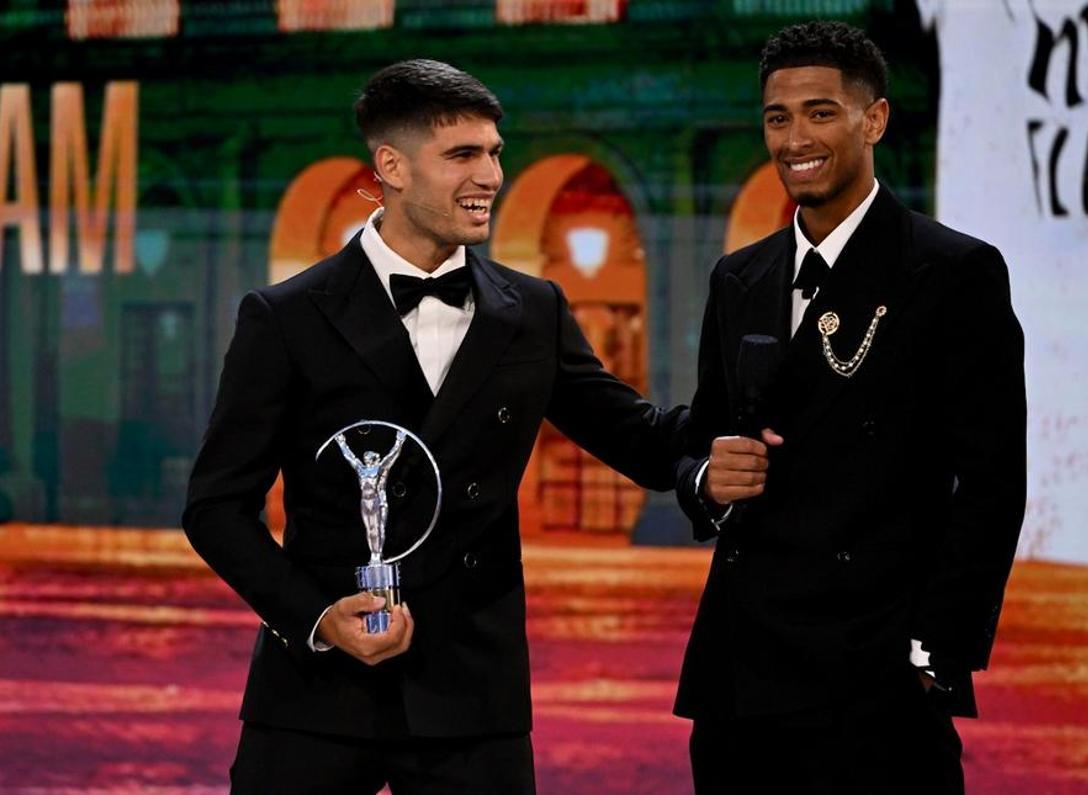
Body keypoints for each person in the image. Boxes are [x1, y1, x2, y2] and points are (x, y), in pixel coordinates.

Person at [183, 59, 685, 794]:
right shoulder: (286, 316)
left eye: (495, 153)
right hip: (317, 696)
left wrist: (729, 444)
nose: (491, 176)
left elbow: (639, 437)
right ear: (392, 166)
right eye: (462, 155)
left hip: (473, 698)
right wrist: (318, 617)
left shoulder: (534, 310)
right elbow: (216, 507)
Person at [672, 21, 1026, 794]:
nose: (795, 138)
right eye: (778, 117)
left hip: (876, 681)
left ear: (875, 119)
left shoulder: (954, 271)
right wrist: (704, 479)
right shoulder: (737, 277)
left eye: (821, 112)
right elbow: (703, 441)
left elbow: (992, 485)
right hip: (741, 675)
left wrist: (934, 654)